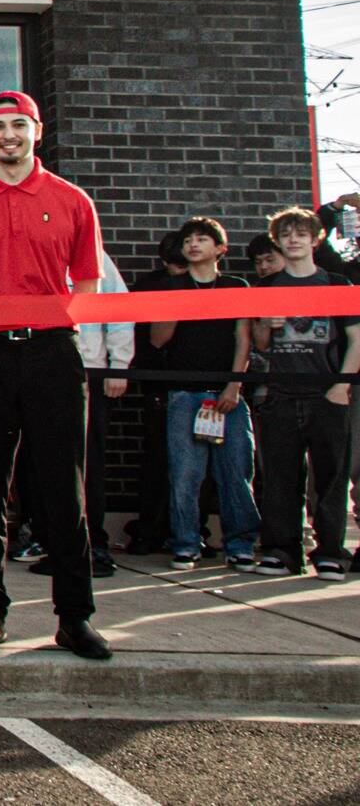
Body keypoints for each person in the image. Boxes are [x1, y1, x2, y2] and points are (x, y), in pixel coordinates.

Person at [0, 89, 110, 660]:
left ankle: (75, 616)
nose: (8, 136)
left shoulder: (73, 200)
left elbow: (86, 286)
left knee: (64, 488)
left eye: (19, 125)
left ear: (37, 130)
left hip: (53, 354)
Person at [250, 206, 356, 580]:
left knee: (330, 477)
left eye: (301, 234)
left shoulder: (338, 284)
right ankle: (282, 550)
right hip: (279, 391)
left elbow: (357, 340)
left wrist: (341, 386)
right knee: (279, 476)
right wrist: (266, 323)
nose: (293, 240)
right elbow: (259, 344)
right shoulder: (266, 287)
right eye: (286, 234)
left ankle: (330, 552)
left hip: (326, 391)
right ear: (278, 241)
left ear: (316, 239)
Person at [149, 216, 258, 573]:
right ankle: (185, 542)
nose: (194, 245)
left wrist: (234, 384)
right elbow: (158, 340)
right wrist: (176, 308)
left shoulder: (236, 286)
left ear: (220, 248)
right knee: (185, 473)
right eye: (188, 241)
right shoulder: (170, 287)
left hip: (227, 392)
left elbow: (244, 339)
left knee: (236, 472)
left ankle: (239, 543)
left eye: (202, 239)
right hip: (184, 393)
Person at [57, 251, 133, 579]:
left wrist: (119, 365)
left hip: (90, 370)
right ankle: (53, 542)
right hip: (45, 368)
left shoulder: (95, 255)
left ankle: (94, 544)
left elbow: (119, 310)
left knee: (88, 463)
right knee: (49, 464)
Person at [123, 232, 189, 554]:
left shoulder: (211, 286)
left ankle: (190, 531)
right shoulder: (151, 286)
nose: (180, 274)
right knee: (157, 459)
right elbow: (145, 337)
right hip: (159, 384)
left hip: (197, 384)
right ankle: (150, 530)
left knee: (194, 465)